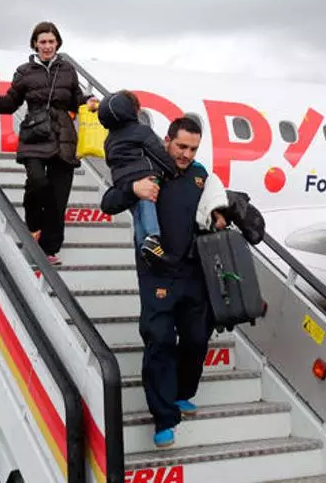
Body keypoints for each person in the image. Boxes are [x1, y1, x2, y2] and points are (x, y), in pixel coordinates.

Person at [100, 117, 226, 448]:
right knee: (160, 341)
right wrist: (133, 189)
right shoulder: (146, 169)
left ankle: (183, 392)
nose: (186, 154)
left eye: (193, 149)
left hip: (193, 271)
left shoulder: (200, 175)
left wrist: (219, 215)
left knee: (197, 338)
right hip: (156, 272)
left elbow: (212, 204)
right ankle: (164, 418)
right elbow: (108, 203)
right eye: (181, 146)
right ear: (167, 140)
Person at [0, 21, 98, 266]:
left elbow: (76, 99)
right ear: (35, 44)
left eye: (51, 41)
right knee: (37, 182)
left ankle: (48, 250)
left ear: (57, 44)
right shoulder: (24, 71)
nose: (47, 46)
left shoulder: (67, 70)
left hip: (63, 137)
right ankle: (33, 225)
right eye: (42, 42)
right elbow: (11, 103)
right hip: (35, 134)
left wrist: (88, 101)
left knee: (58, 199)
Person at [98, 90, 177, 264]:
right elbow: (157, 153)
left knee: (137, 209)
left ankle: (145, 246)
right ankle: (152, 236)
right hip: (143, 172)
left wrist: (126, 184)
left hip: (122, 179)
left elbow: (110, 161)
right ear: (132, 111)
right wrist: (172, 170)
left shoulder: (108, 140)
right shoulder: (141, 131)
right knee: (147, 200)